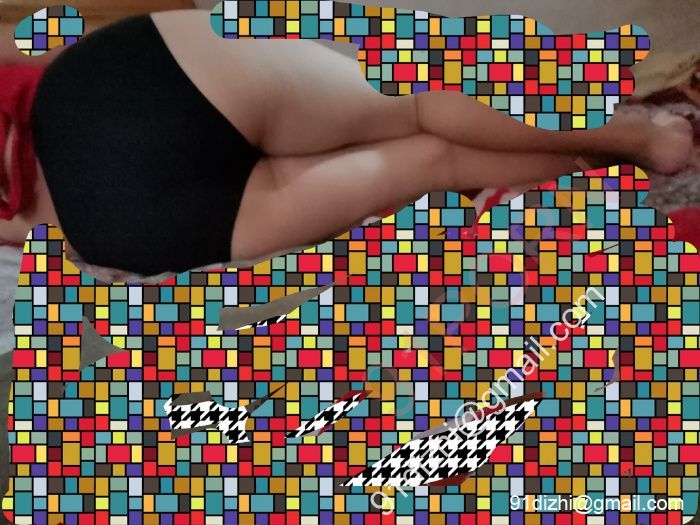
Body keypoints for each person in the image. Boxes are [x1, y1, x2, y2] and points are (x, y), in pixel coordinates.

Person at [0, 10, 694, 276]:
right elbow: (25, 46)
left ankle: (599, 174)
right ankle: (636, 137)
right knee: (413, 99)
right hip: (114, 91)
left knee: (433, 163)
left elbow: (16, 232)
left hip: (112, 218)